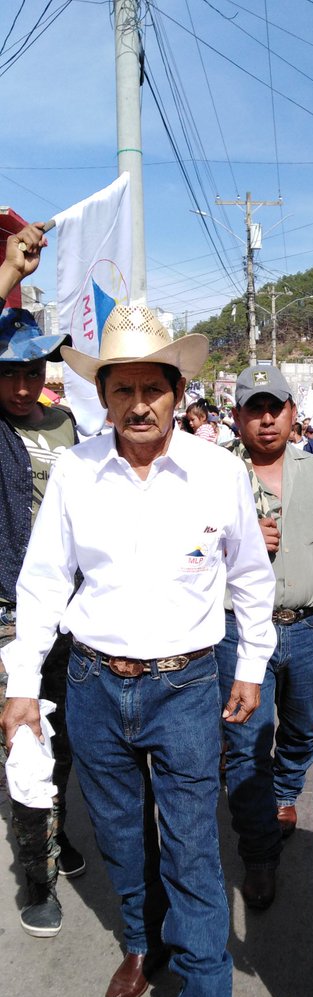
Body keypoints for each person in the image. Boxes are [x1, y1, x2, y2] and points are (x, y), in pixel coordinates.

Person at [0, 304, 276, 997]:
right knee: (122, 837)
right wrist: (22, 684)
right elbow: (45, 582)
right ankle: (141, 941)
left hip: (186, 684)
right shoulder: (78, 473)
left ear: (177, 392)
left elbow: (250, 580)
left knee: (192, 856)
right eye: (122, 390)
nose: (139, 404)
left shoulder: (218, 473)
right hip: (93, 681)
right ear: (104, 397)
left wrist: (251, 667)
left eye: (153, 388)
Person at [217, 364, 313, 910]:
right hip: (237, 630)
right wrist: (236, 542)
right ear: (237, 417)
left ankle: (283, 793)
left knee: (302, 729)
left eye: (275, 407)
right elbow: (182, 555)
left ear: (293, 413)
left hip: (304, 628)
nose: (266, 418)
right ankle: (258, 853)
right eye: (255, 408)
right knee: (246, 742)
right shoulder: (214, 475)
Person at [0, 220, 85, 938]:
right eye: (9, 371)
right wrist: (9, 271)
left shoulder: (64, 426)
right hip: (8, 610)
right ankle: (38, 877)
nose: (24, 384)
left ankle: (56, 829)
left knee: (71, 738)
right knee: (27, 742)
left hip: (68, 608)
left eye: (33, 370)